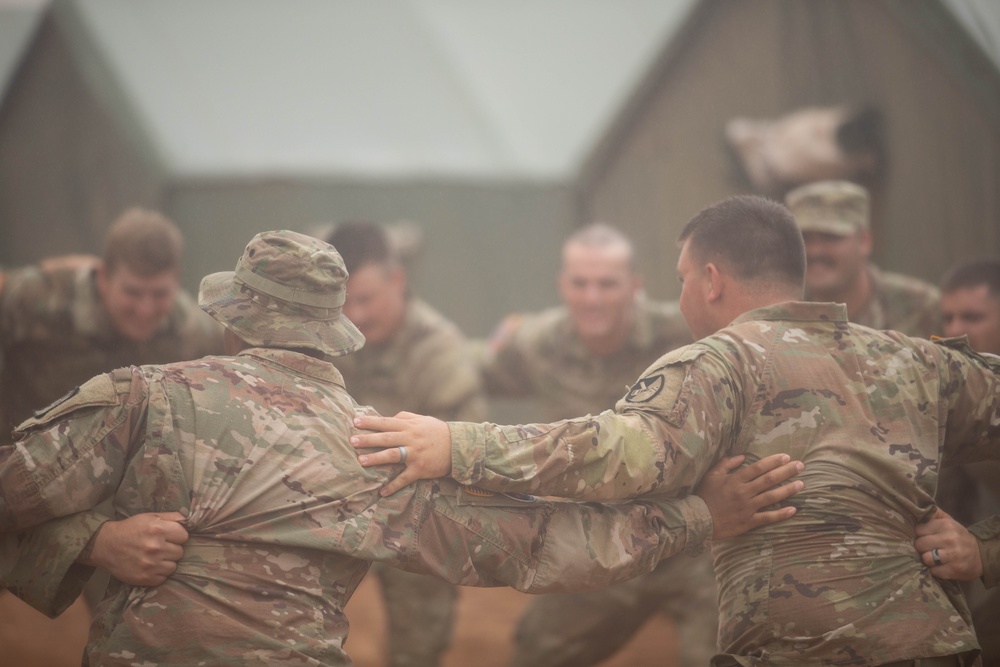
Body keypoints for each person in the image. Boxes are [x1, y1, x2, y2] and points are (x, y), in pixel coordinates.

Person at [0, 229, 805, 666]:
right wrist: (703, 514)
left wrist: (97, 540)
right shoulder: (375, 449)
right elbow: (550, 547)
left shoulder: (141, 397)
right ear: (334, 330)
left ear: (236, 314)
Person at [352, 195, 1000, 666]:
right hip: (932, 647)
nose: (682, 295)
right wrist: (984, 552)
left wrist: (456, 443)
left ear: (712, 281)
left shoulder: (718, 362)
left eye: (683, 278)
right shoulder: (915, 359)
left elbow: (611, 454)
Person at [477, 222, 714, 666]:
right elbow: (474, 370)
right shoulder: (538, 342)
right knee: (537, 651)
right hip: (604, 543)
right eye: (580, 283)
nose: (593, 298)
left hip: (697, 543)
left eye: (608, 284)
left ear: (635, 287)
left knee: (730, 654)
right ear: (562, 285)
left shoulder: (688, 335)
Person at [0, 206, 224, 660]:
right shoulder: (39, 300)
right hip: (21, 475)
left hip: (110, 494)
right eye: (132, 292)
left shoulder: (191, 332)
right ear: (103, 277)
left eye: (159, 294)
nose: (145, 309)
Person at [326, 220, 487, 667]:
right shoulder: (322, 335)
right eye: (344, 303)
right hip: (323, 503)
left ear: (397, 280)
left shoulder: (439, 353)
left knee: (418, 647)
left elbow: (470, 456)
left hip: (415, 511)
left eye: (365, 299)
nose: (355, 314)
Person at [928, 257, 1000, 664]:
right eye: (948, 317)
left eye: (972, 316)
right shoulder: (960, 392)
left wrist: (981, 550)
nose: (954, 331)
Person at [784, 179, 940, 338]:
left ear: (864, 241)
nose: (815, 251)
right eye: (804, 238)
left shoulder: (921, 309)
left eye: (830, 237)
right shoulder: (782, 313)